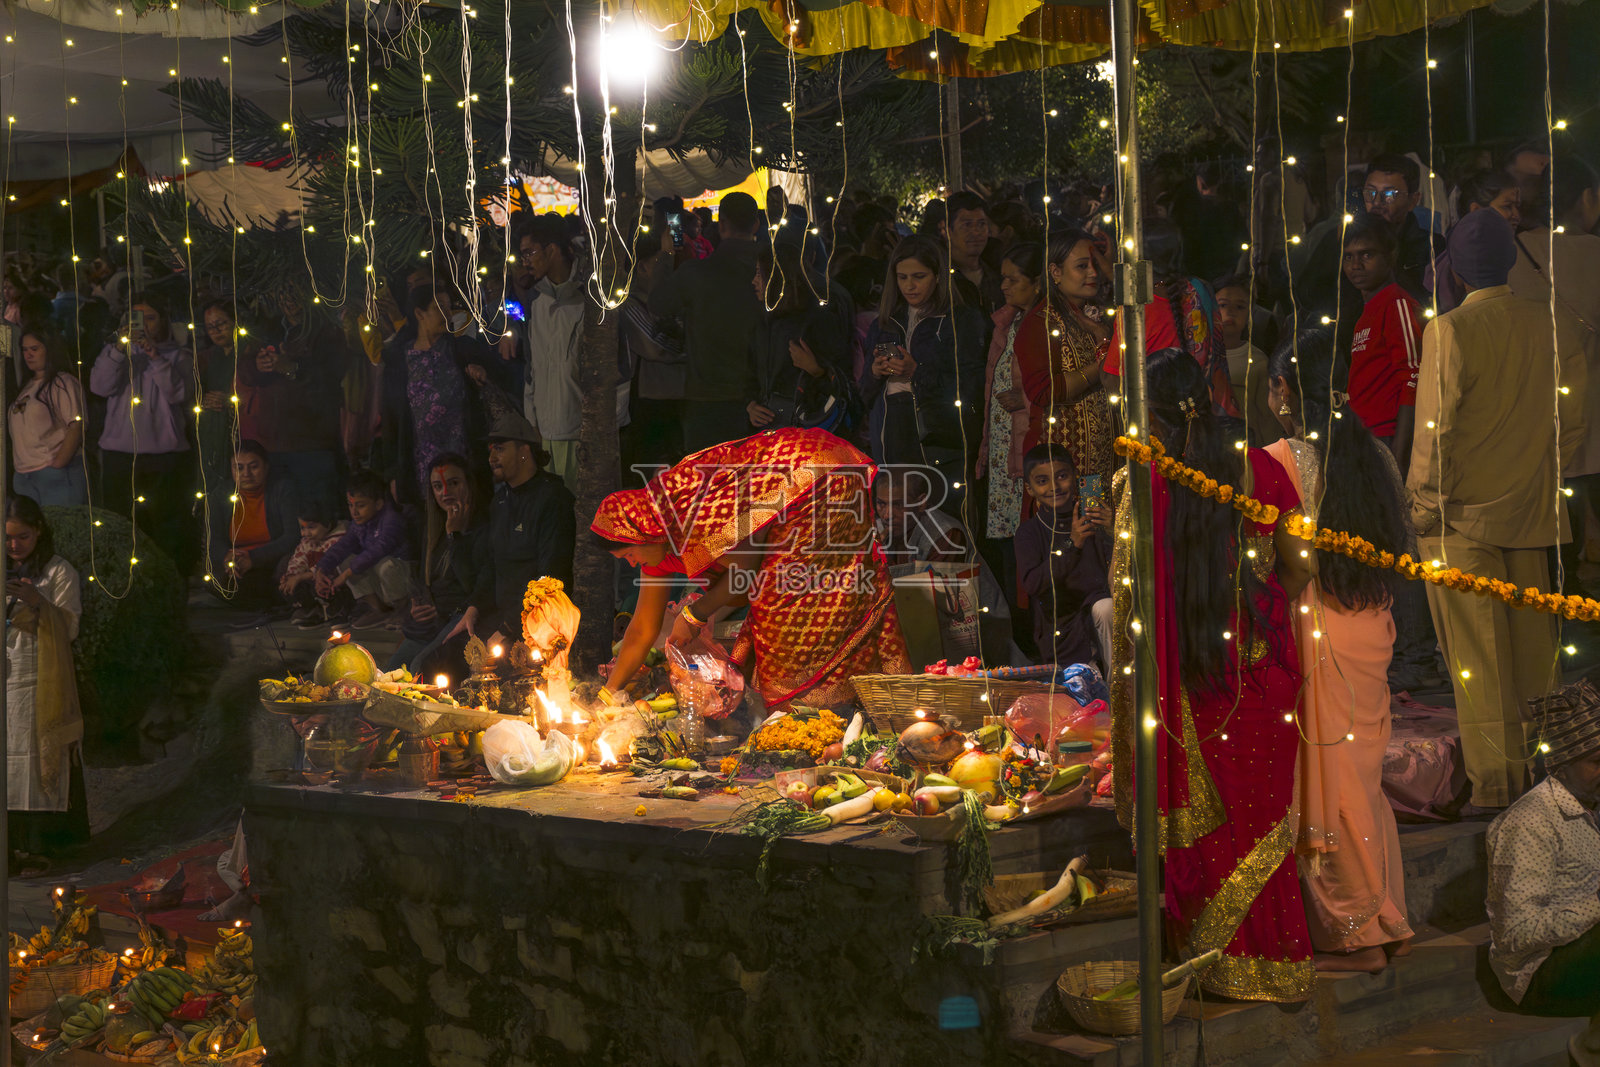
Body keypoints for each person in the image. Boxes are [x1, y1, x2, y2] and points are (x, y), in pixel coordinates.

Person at [1108, 347, 1315, 1002]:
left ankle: (1213, 966)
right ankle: (1277, 966)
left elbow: (1128, 604)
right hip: (1259, 679)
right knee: (1262, 836)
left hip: (1191, 692)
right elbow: (1303, 563)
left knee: (1215, 839)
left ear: (1151, 416)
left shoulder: (1142, 483)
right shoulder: (1259, 469)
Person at [1265, 329, 1414, 973]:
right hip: (1370, 624)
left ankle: (1357, 934)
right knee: (1360, 781)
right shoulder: (1372, 453)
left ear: (1282, 394)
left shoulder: (1279, 460)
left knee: (1327, 785)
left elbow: (1287, 562)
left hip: (1317, 621)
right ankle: (1385, 914)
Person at [1408, 208, 1564, 812]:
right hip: (1531, 512)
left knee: (1480, 661)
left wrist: (1422, 505)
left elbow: (1434, 432)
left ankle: (1499, 788)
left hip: (1460, 519)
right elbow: (1569, 422)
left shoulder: (1449, 330)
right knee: (1533, 654)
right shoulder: (1547, 322)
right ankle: (1552, 775)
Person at [595, 426, 911, 710]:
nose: (632, 563)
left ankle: (819, 715)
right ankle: (827, 711)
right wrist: (608, 695)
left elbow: (743, 575)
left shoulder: (687, 515)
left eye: (630, 554)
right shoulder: (657, 544)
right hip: (797, 485)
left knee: (788, 609)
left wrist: (693, 615)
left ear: (644, 532)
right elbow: (641, 628)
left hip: (813, 477)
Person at [1507, 154, 1600, 598]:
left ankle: (1561, 636)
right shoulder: (1594, 255)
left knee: (1558, 549)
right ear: (1587, 198)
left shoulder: (1515, 252)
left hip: (1537, 426)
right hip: (1595, 420)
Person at [1485, 679, 1600, 1016]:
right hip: (1543, 973)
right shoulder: (1529, 824)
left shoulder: (1589, 802)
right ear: (1561, 765)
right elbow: (1517, 933)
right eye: (1596, 762)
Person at [858, 235, 987, 505]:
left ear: (938, 276)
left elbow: (971, 387)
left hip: (939, 437)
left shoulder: (960, 321)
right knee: (898, 516)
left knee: (942, 517)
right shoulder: (886, 323)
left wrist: (917, 372)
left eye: (919, 276)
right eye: (902, 277)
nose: (910, 285)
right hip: (892, 431)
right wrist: (875, 372)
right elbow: (864, 394)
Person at [448, 398, 575, 645]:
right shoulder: (500, 501)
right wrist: (473, 607)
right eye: (491, 450)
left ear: (525, 451)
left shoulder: (553, 499)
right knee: (435, 661)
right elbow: (492, 565)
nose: (492, 457)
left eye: (500, 448)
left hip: (533, 625)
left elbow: (551, 577)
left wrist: (509, 629)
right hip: (496, 616)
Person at [650, 191, 766, 454]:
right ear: (756, 224)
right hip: (762, 399)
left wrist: (666, 255)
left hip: (706, 398)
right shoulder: (774, 272)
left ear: (720, 224)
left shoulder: (696, 274)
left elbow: (658, 304)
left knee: (707, 484)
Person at [6, 496, 87, 870]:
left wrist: (39, 603)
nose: (14, 546)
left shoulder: (58, 571)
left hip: (41, 676)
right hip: (7, 674)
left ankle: (43, 845)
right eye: (7, 539)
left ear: (38, 530)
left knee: (38, 755)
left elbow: (69, 627)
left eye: (22, 537)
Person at [89, 296, 196, 570]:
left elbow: (179, 394)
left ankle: (169, 582)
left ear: (162, 322)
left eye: (150, 318)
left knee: (166, 527)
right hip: (120, 455)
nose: (143, 325)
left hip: (164, 456)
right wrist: (117, 350)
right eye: (136, 318)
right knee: (122, 524)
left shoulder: (179, 356)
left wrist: (155, 356)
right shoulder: (114, 353)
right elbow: (99, 387)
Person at [1104, 218, 1239, 418]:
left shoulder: (1136, 312)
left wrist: (1100, 347)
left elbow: (1113, 385)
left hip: (1165, 427)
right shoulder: (1201, 290)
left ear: (1136, 259)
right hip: (1211, 416)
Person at [377, 284, 489, 510]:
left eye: (450, 307)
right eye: (441, 308)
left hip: (463, 457)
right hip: (421, 464)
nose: (448, 315)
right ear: (420, 314)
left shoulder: (461, 350)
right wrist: (393, 473)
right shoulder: (399, 361)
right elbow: (391, 419)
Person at [1013, 445, 1112, 671]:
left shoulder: (1092, 518)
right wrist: (1072, 544)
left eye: (1062, 476)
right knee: (1087, 689)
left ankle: (1120, 689)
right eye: (1042, 481)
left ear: (1075, 477)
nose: (1054, 487)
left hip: (1104, 618)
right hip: (1062, 628)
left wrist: (1113, 532)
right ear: (1030, 489)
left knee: (1105, 607)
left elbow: (1119, 571)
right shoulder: (1029, 532)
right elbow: (1033, 584)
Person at [1340, 214, 1425, 471]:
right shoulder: (1365, 312)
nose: (1356, 265)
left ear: (1390, 256)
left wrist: (1397, 460)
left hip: (1387, 439)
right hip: (1364, 438)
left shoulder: (1396, 303)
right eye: (1348, 256)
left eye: (1367, 255)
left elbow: (1413, 379)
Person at [390, 453, 487, 677]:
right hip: (431, 623)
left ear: (468, 484)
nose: (445, 492)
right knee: (389, 674)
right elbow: (426, 577)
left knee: (419, 670)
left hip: (462, 619)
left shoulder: (482, 527)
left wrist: (456, 537)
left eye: (453, 483)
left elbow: (474, 585)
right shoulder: (434, 525)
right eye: (437, 486)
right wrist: (417, 606)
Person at [748, 241, 857, 438]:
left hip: (805, 426)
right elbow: (751, 371)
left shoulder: (816, 318)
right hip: (769, 423)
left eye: (759, 273)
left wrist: (816, 369)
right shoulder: (764, 320)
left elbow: (841, 375)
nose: (754, 281)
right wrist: (751, 405)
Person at [517, 214, 588, 492]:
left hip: (580, 435)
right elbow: (531, 367)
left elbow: (616, 372)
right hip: (544, 434)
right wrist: (532, 420)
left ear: (552, 250)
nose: (526, 261)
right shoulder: (536, 300)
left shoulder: (589, 298)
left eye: (529, 253)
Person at [619, 236, 688, 475]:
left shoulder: (674, 299)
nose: (668, 267)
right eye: (661, 260)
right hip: (650, 401)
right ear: (642, 266)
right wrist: (690, 348)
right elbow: (655, 345)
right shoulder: (630, 303)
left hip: (676, 397)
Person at [205, 441, 302, 606]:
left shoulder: (282, 489)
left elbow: (292, 536)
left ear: (266, 467)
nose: (246, 474)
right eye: (239, 468)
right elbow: (213, 538)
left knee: (285, 574)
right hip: (239, 563)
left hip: (273, 558)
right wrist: (228, 557)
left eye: (253, 466)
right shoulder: (221, 495)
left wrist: (254, 558)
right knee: (213, 581)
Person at [315, 470, 412, 630]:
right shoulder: (358, 524)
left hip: (403, 579)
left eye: (361, 505)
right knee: (345, 562)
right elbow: (341, 547)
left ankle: (403, 609)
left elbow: (380, 549)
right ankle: (378, 610)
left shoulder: (391, 519)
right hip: (380, 584)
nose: (354, 511)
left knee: (385, 565)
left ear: (379, 504)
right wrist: (321, 570)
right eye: (350, 505)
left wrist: (346, 574)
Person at [9, 326, 87, 507]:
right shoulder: (26, 386)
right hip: (24, 475)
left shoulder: (62, 382)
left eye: (34, 349)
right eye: (25, 350)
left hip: (53, 472)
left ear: (50, 349)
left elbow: (76, 425)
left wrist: (58, 464)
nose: (29, 355)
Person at [1427, 170, 1521, 313]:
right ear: (1476, 210)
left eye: (1517, 207)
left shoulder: (1516, 247)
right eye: (1507, 206)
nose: (1516, 215)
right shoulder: (1458, 260)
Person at [1359, 153, 1442, 302]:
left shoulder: (1431, 246)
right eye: (1370, 193)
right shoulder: (1347, 241)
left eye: (1389, 194)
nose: (1377, 202)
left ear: (1413, 200)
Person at [1212, 276, 1281, 447]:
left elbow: (1267, 419)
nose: (1231, 312)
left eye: (1240, 307)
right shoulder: (1202, 356)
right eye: (1223, 305)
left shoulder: (1257, 362)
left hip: (1247, 450)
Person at [283, 502, 347, 627]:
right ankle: (312, 610)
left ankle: (336, 610)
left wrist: (300, 577)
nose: (305, 533)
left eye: (311, 527)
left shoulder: (338, 540)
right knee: (289, 585)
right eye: (302, 528)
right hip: (312, 579)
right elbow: (298, 559)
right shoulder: (307, 541)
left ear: (327, 525)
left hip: (332, 582)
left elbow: (329, 568)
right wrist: (291, 576)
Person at [941, 192, 1003, 317]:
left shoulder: (999, 275)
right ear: (948, 230)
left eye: (981, 224)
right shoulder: (939, 278)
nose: (976, 232)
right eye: (967, 225)